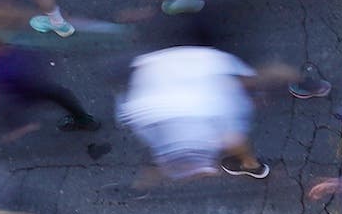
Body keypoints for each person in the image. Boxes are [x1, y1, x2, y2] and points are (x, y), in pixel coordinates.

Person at [115, 44, 268, 182]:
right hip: (214, 106)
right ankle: (251, 164)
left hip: (191, 123)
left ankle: (138, 188)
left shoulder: (137, 97)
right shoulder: (206, 56)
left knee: (228, 139)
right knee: (232, 138)